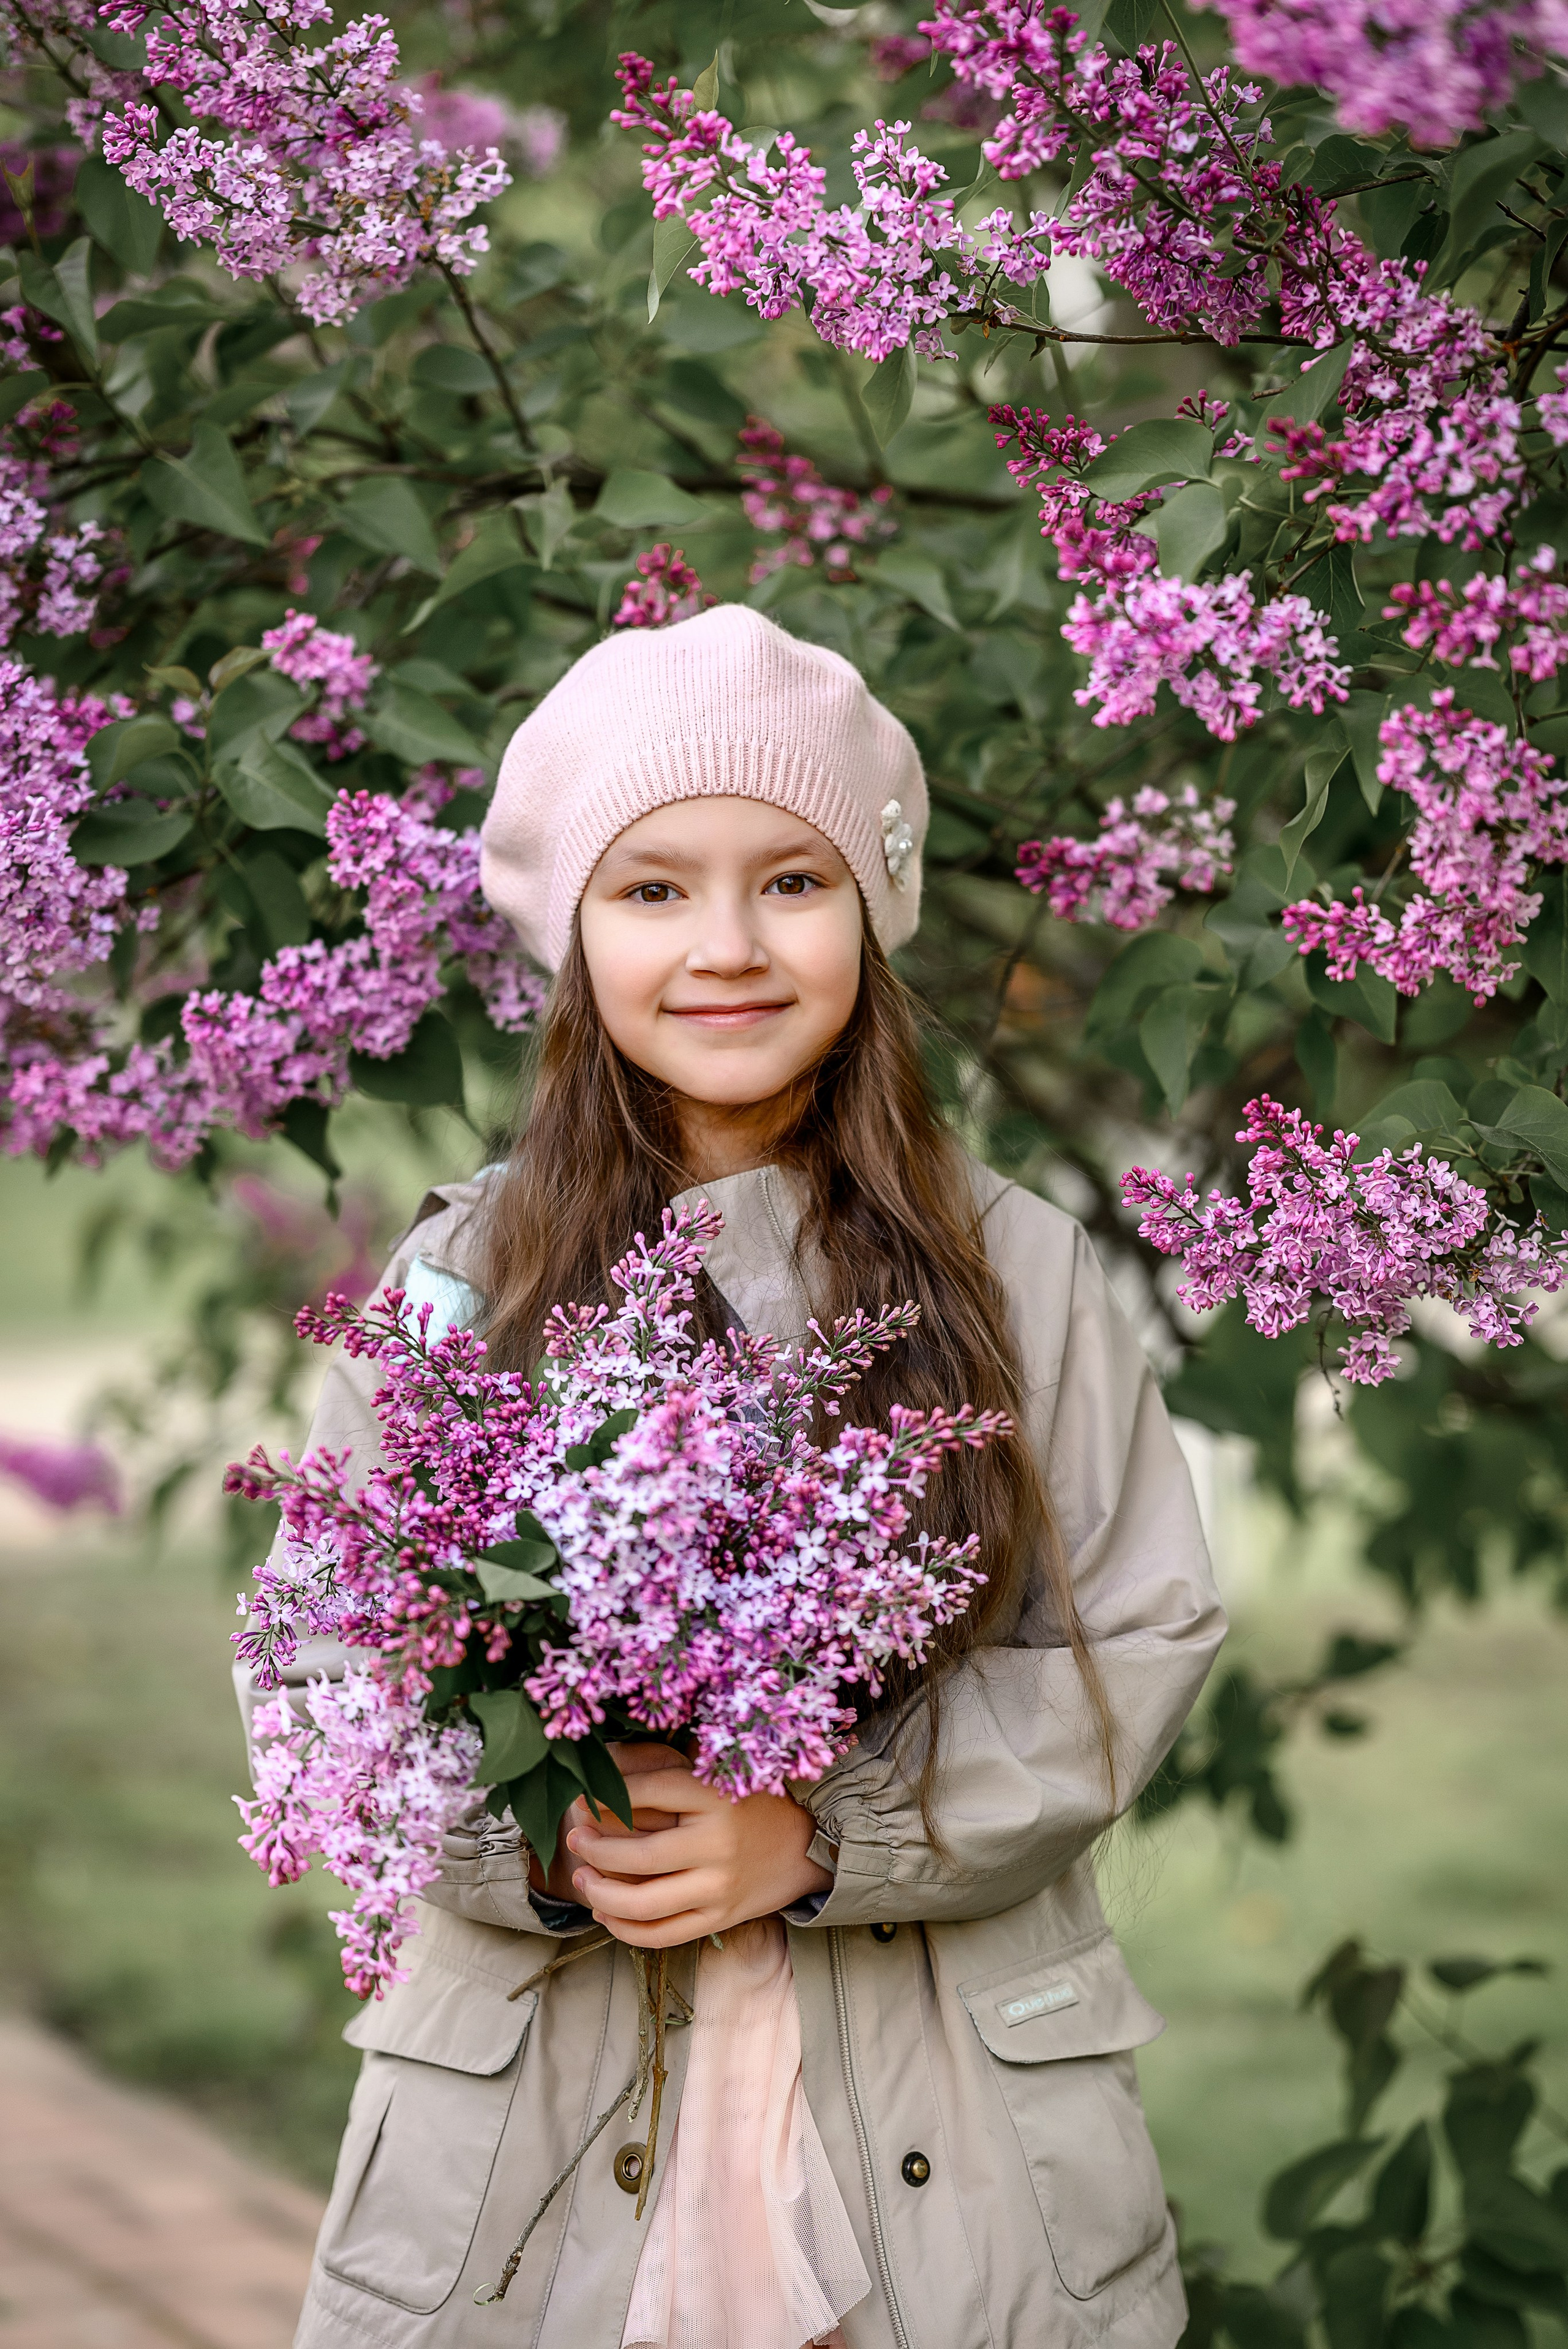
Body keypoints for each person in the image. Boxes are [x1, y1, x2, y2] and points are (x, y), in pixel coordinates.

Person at [241, 604, 1226, 2349]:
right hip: (536, 2141)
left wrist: (821, 1833)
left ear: (871, 909)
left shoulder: (1019, 1272)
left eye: (792, 879)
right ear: (572, 941)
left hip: (941, 2135)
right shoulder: (468, 1281)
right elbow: (326, 1656)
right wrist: (547, 1839)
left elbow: (1128, 1644)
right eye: (653, 889)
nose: (728, 945)